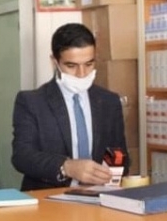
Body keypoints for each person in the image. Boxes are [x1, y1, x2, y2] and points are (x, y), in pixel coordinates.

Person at [12, 23, 128, 190]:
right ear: (55, 62)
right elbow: (22, 156)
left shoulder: (109, 101)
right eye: (71, 66)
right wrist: (66, 167)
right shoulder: (32, 102)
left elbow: (119, 153)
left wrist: (112, 178)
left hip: (99, 197)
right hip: (48, 198)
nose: (82, 74)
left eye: (89, 64)